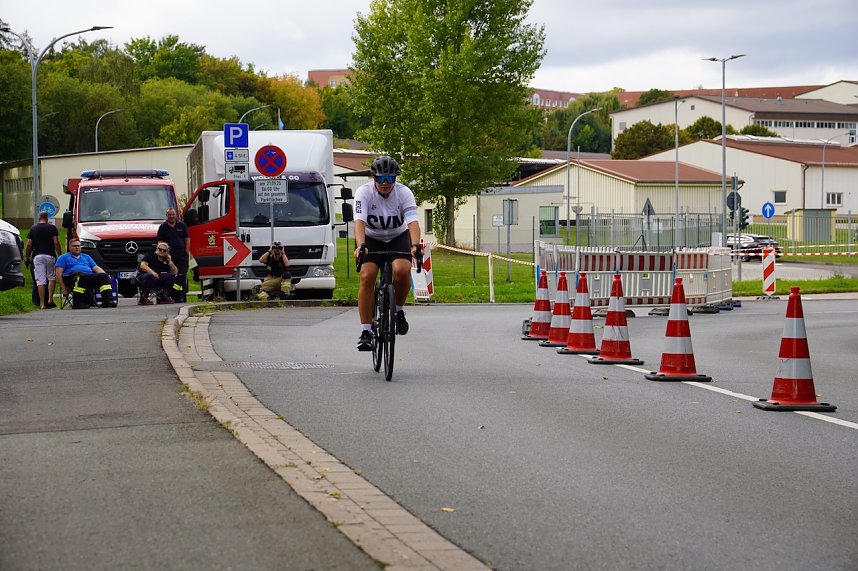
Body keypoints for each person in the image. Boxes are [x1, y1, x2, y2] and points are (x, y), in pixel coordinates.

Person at [353, 156, 422, 351]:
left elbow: (412, 222)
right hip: (370, 238)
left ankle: (398, 310)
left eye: (390, 179)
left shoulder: (404, 193)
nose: (385, 184)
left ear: (395, 180)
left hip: (397, 236)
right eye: (381, 179)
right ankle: (366, 331)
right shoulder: (364, 192)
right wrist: (361, 245)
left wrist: (415, 245)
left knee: (401, 270)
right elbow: (359, 222)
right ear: (373, 178)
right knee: (367, 276)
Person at [55, 238, 116, 309]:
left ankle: (108, 301)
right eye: (74, 246)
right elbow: (58, 274)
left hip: (88, 277)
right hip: (73, 278)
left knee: (104, 277)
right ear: (70, 247)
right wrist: (64, 289)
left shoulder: (86, 257)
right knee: (81, 277)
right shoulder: (63, 258)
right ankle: (77, 303)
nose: (77, 247)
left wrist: (105, 274)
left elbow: (96, 268)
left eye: (78, 246)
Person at [24, 211, 62, 309]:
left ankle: (42, 303)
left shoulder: (33, 228)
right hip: (50, 256)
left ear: (39, 217)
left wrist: (27, 256)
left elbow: (29, 244)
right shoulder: (52, 228)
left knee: (40, 280)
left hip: (38, 256)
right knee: (51, 278)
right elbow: (56, 243)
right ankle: (50, 299)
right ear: (47, 218)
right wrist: (60, 254)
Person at [157, 207, 190, 302]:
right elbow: (160, 242)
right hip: (169, 257)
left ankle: (180, 296)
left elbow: (187, 239)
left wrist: (187, 251)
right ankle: (171, 295)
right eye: (169, 215)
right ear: (166, 216)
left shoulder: (182, 225)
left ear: (175, 215)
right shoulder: (163, 227)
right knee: (170, 276)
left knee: (182, 275)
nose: (171, 216)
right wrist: (161, 254)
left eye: (173, 214)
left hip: (182, 256)